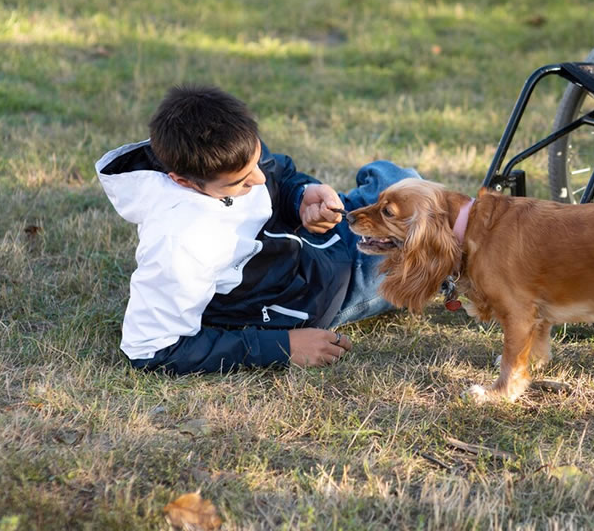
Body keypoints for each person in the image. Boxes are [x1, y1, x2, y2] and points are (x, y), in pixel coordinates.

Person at [95, 84, 418, 374]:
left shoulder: (229, 145)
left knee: (394, 178)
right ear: (182, 181)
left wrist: (302, 196)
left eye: (256, 160)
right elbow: (150, 349)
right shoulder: (179, 241)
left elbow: (279, 175)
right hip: (319, 294)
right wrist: (284, 347)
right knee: (423, 242)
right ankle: (447, 270)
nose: (258, 179)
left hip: (316, 243)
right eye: (240, 182)